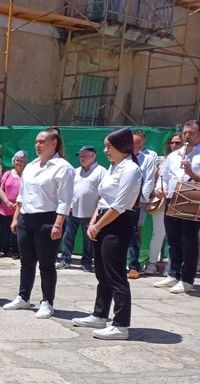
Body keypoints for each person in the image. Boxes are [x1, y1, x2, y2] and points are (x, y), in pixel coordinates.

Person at [73, 128, 141, 340]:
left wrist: (98, 226)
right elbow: (103, 199)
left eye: (109, 146)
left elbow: (119, 205)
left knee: (116, 275)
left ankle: (121, 324)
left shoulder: (130, 169)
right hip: (103, 219)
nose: (105, 150)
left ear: (122, 146)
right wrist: (94, 222)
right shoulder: (113, 167)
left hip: (118, 223)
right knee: (101, 273)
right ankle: (99, 314)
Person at [4, 127, 75, 318]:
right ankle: (23, 297)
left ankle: (47, 302)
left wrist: (58, 224)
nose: (38, 145)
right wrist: (16, 218)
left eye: (42, 141)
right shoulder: (31, 166)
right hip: (26, 218)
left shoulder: (63, 167)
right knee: (26, 261)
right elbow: (22, 195)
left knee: (46, 263)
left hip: (48, 219)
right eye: (36, 141)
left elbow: (65, 200)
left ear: (54, 143)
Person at [153, 120, 200, 293]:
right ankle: (173, 274)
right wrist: (160, 188)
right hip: (172, 199)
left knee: (189, 241)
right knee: (173, 239)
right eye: (185, 132)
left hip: (192, 200)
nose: (187, 136)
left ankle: (187, 279)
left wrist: (191, 173)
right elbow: (164, 176)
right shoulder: (174, 155)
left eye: (191, 133)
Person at [56, 146, 106, 271]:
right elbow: (69, 190)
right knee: (68, 236)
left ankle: (86, 262)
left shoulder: (101, 172)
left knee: (88, 240)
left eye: (85, 155)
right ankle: (65, 260)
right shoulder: (75, 171)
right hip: (72, 211)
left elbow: (104, 193)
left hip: (90, 212)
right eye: (80, 156)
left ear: (93, 156)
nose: (81, 158)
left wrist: (97, 212)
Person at [144, 132, 183, 275]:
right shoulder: (162, 160)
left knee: (175, 235)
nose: (174, 145)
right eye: (172, 143)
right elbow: (157, 179)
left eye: (177, 143)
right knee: (158, 233)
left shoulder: (189, 160)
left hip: (180, 201)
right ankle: (152, 264)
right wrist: (158, 190)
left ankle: (170, 267)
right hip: (161, 200)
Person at [126, 130, 158, 279]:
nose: (135, 146)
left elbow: (149, 179)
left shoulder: (148, 158)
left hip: (136, 201)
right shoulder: (123, 156)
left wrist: (141, 200)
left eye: (138, 143)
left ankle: (133, 266)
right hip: (120, 199)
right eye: (133, 143)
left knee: (134, 232)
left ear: (142, 144)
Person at [0, 150, 26, 259]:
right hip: (5, 209)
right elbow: (0, 189)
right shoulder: (7, 173)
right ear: (14, 161)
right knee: (4, 232)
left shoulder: (27, 175)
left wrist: (18, 204)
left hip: (20, 209)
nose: (20, 163)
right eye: (18, 160)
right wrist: (7, 202)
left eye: (22, 161)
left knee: (17, 231)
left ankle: (16, 252)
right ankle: (3, 250)